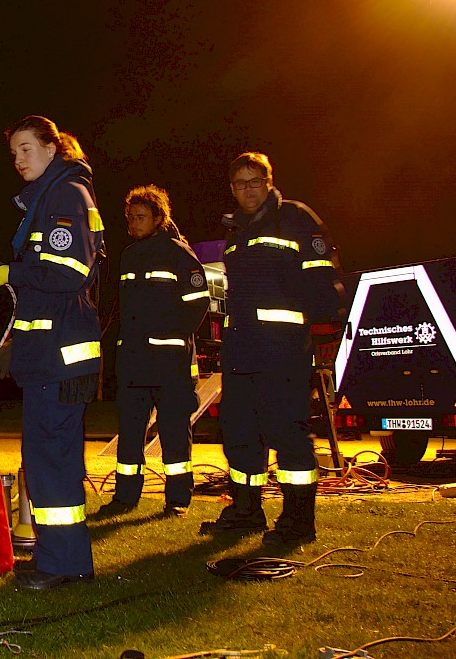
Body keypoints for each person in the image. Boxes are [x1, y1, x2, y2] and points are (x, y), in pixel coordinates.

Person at [0, 115, 104, 590]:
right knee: (47, 459)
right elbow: (43, 289)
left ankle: (64, 565)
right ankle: (58, 557)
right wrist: (14, 342)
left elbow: (68, 273)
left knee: (52, 460)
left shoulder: (67, 196)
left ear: (53, 149)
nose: (19, 160)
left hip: (60, 356)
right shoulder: (50, 198)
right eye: (13, 154)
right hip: (46, 353)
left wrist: (11, 272)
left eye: (26, 149)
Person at [200, 152, 342, 545]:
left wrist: (309, 331)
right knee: (240, 432)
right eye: (240, 184)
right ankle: (247, 511)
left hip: (282, 352)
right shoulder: (236, 230)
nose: (248, 190)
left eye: (255, 181)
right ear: (232, 189)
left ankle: (298, 522)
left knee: (287, 431)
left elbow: (323, 282)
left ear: (269, 181)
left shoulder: (296, 218)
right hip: (241, 351)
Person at [99, 185, 209, 519]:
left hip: (170, 365)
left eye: (141, 216)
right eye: (130, 217)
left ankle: (178, 499)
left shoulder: (179, 253)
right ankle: (125, 496)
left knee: (174, 433)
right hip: (133, 365)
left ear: (159, 218)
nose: (133, 223)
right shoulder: (129, 255)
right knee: (130, 434)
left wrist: (170, 336)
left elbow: (197, 304)